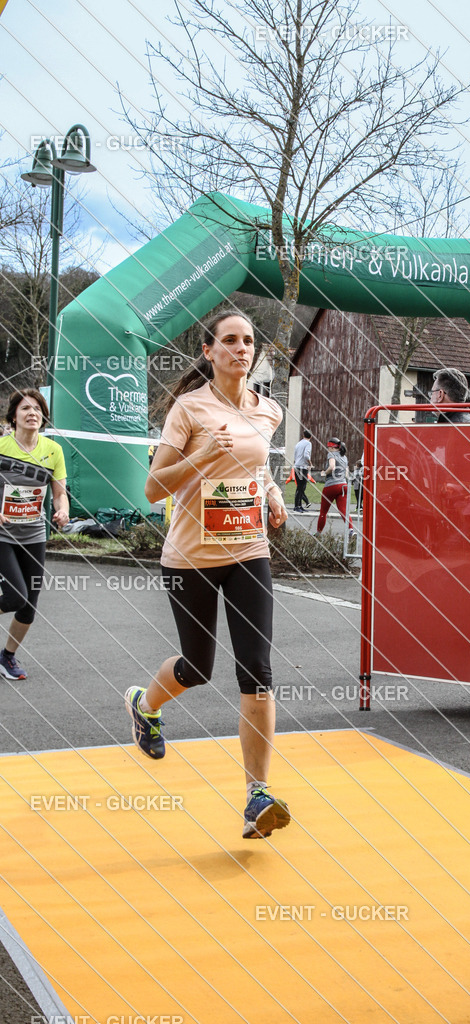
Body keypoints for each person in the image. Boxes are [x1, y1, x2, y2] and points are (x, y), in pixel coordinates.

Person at [124, 310, 291, 841]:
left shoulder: (270, 411)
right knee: (198, 667)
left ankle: (255, 795)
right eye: (230, 341)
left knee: (257, 669)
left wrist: (271, 493)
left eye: (248, 342)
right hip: (190, 558)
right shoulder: (188, 409)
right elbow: (153, 489)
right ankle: (143, 705)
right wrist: (200, 460)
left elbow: (256, 463)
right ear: (208, 351)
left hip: (249, 553)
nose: (242, 349)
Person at [0, 389, 69, 680]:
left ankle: (7, 657)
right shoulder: (2, 445)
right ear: (13, 416)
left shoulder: (53, 450)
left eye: (38, 409)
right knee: (16, 596)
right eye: (26, 408)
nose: (32, 413)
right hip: (2, 533)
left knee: (29, 604)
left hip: (34, 534)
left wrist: (62, 511)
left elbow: (59, 493)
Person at [316, 437, 353, 537]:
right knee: (344, 510)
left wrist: (324, 473)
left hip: (331, 485)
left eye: (328, 447)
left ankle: (318, 532)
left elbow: (332, 467)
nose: (328, 449)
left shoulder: (331, 454)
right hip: (343, 485)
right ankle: (351, 529)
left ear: (332, 447)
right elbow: (346, 473)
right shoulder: (344, 457)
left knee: (323, 511)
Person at [293, 427, 312, 512]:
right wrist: (310, 464)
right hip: (303, 467)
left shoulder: (298, 444)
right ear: (311, 436)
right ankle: (297, 506)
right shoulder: (308, 444)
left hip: (297, 466)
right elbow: (306, 455)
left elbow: (295, 455)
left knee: (299, 487)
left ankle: (299, 505)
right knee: (301, 487)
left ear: (303, 435)